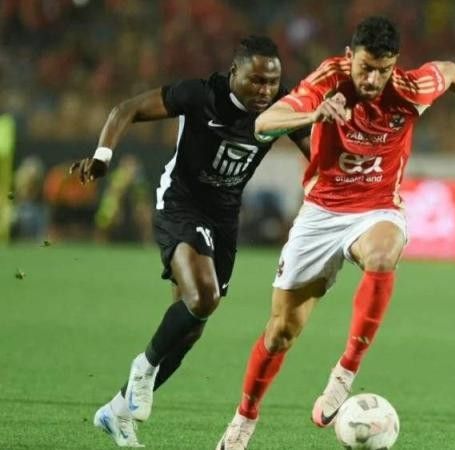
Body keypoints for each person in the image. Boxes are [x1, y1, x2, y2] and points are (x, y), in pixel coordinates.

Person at [216, 16, 455, 449]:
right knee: (281, 332)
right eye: (366, 67)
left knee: (384, 254)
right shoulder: (328, 79)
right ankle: (244, 419)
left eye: (383, 70)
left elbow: (448, 70)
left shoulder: (410, 89)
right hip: (321, 212)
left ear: (395, 65)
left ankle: (345, 371)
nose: (372, 79)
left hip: (377, 208)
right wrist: (315, 112)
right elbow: (263, 124)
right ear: (350, 56)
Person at [70, 36, 310, 447]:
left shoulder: (281, 108)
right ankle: (143, 368)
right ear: (234, 73)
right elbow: (125, 109)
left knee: (190, 330)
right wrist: (103, 156)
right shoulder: (201, 95)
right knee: (203, 297)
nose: (265, 90)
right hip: (181, 203)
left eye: (272, 82)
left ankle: (117, 411)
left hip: (225, 218)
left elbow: (316, 151)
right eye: (256, 80)